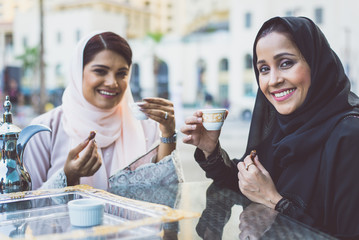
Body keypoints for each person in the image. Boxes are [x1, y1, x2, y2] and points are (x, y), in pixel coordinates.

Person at [181, 16, 359, 239]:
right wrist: (210, 149)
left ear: (316, 63)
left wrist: (275, 202)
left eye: (286, 63)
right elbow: (246, 184)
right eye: (263, 68)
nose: (273, 80)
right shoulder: (281, 125)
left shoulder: (349, 135)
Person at [23, 31, 179, 190]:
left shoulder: (146, 127)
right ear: (78, 72)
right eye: (100, 71)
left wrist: (168, 134)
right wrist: (67, 177)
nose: (112, 83)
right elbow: (26, 205)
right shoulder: (43, 130)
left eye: (122, 74)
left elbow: (166, 193)